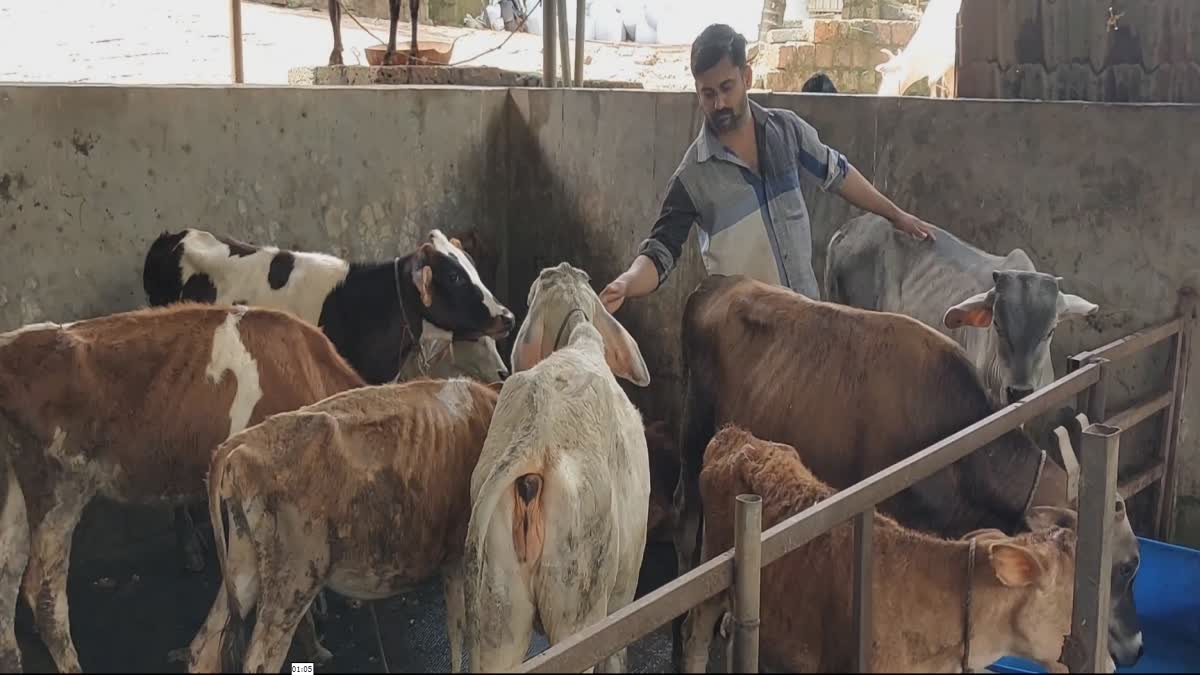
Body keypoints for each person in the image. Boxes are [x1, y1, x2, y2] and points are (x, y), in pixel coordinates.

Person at [599, 23, 935, 314]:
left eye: (727, 88)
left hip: (806, 319)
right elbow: (660, 252)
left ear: (746, 77)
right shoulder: (692, 177)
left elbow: (838, 173)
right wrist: (627, 283)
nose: (718, 104)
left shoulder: (786, 132)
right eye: (707, 93)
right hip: (747, 337)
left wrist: (896, 216)